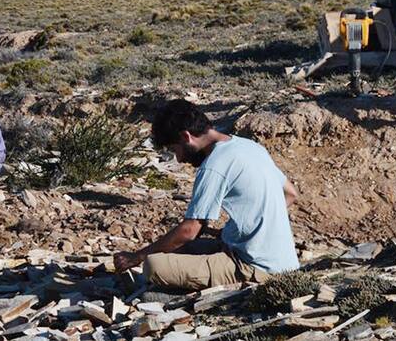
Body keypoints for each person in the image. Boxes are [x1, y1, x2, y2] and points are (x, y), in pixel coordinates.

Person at [113, 99, 299, 291]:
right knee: (180, 249)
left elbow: (189, 231)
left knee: (153, 265)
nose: (179, 158)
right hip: (283, 262)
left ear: (186, 137)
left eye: (174, 149)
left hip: (256, 268)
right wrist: (245, 231)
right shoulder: (250, 146)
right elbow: (290, 193)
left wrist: (136, 257)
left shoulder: (215, 165)